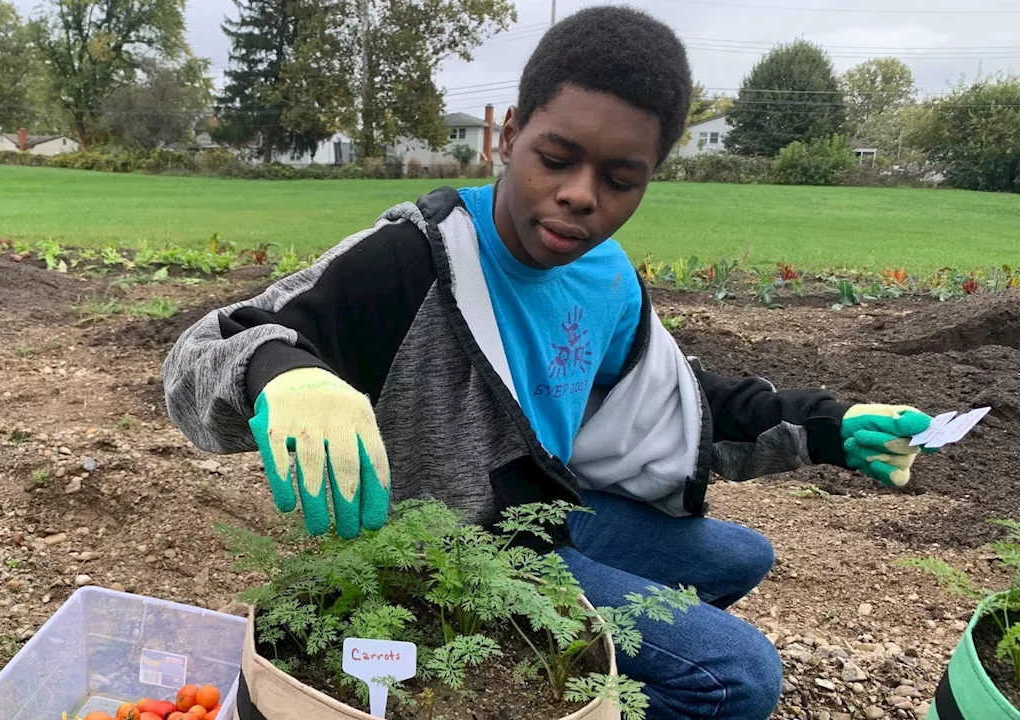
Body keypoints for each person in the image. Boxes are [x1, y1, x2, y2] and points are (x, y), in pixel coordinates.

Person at [162, 6, 933, 718]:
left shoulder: (605, 278)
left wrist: (829, 427)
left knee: (740, 555)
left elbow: (676, 396)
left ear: (649, 177)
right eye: (555, 158)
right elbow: (202, 354)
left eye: (619, 179)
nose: (579, 197)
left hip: (543, 523)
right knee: (740, 676)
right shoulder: (413, 263)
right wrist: (285, 371)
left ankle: (566, 676)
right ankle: (533, 690)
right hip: (443, 563)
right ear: (508, 136)